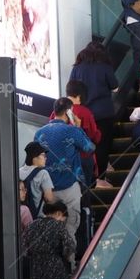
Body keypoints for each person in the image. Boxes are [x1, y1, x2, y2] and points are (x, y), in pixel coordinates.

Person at [34, 99, 95, 240]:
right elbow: (90, 148)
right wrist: (79, 127)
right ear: (69, 112)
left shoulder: (39, 133)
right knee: (70, 230)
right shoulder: (72, 131)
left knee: (49, 232)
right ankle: (69, 261)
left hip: (47, 190)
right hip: (69, 187)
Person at [68, 43, 117, 183]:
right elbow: (115, 86)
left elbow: (71, 88)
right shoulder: (105, 66)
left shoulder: (77, 68)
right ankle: (101, 179)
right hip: (104, 113)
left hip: (81, 114)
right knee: (102, 145)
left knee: (83, 146)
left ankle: (86, 180)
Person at [48, 80, 103, 186]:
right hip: (82, 157)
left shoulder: (55, 112)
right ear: (79, 96)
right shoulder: (85, 112)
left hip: (60, 157)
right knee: (84, 189)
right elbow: (94, 135)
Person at [22, 201, 75, 279]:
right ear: (58, 213)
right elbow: (69, 248)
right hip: (56, 270)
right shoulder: (58, 227)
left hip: (36, 269)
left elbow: (24, 248)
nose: (63, 222)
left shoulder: (32, 225)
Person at [19, 141, 55, 219]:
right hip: (37, 218)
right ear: (35, 157)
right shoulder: (43, 173)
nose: (46, 158)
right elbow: (49, 198)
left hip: (21, 216)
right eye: (43, 155)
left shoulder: (18, 171)